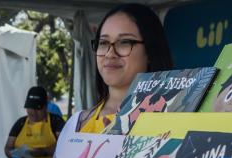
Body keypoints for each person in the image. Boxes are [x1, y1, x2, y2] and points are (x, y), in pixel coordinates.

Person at [56, 3, 172, 140]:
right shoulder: (75, 125)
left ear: (150, 50)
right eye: (103, 43)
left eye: (124, 42)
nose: (110, 54)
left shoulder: (174, 121)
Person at [4, 86, 65, 158]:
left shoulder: (56, 122)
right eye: (30, 108)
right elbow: (8, 147)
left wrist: (44, 152)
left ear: (45, 106)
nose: (33, 112)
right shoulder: (20, 123)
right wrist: (15, 156)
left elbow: (64, 146)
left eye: (37, 108)